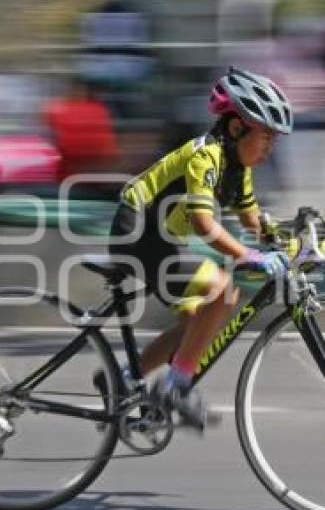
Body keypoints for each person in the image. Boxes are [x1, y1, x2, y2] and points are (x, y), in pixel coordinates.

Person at [107, 66, 292, 429]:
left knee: (196, 323)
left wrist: (291, 242)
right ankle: (176, 388)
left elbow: (254, 221)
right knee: (222, 289)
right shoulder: (204, 156)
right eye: (267, 136)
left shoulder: (238, 169)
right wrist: (250, 256)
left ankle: (124, 380)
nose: (272, 147)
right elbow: (203, 225)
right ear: (237, 127)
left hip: (161, 238)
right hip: (136, 230)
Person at [43, 77, 120, 199]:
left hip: (70, 178)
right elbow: (109, 150)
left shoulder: (57, 110)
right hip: (99, 178)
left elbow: (59, 143)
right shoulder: (99, 110)